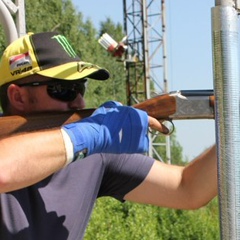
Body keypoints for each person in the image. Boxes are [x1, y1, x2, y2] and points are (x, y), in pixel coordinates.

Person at [0, 32, 217, 240]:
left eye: (80, 88)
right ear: (18, 96)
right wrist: (86, 136)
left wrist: (232, 127)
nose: (79, 102)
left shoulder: (94, 152)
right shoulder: (88, 140)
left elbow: (188, 189)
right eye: (62, 88)